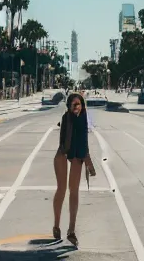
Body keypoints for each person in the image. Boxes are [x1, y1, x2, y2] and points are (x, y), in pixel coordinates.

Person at [52, 92, 96, 247]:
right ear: (69, 106)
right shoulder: (66, 118)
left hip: (77, 154)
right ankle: (56, 226)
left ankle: (71, 230)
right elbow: (65, 142)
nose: (77, 107)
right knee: (62, 189)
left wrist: (88, 162)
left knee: (74, 191)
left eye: (79, 104)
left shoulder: (85, 118)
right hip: (63, 153)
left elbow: (84, 141)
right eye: (74, 104)